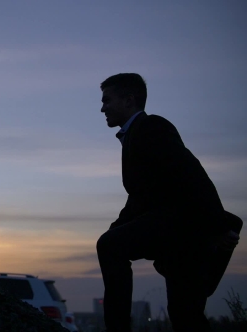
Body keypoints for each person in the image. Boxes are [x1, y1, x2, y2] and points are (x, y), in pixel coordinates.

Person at [95, 73, 241, 332]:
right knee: (185, 314)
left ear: (129, 100)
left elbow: (192, 174)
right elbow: (141, 196)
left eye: (107, 100)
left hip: (181, 225)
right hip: (178, 235)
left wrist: (219, 226)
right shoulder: (135, 134)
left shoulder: (152, 127)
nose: (102, 107)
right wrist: (116, 227)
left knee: (109, 246)